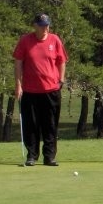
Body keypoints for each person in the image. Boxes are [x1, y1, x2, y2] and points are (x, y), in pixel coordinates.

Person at [13, 13, 68, 166]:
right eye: (42, 25)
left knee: (50, 125)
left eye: (47, 25)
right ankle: (32, 156)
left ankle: (49, 157)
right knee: (31, 125)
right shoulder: (25, 40)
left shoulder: (54, 40)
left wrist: (61, 79)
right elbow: (18, 63)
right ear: (35, 26)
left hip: (51, 90)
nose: (45, 28)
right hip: (30, 90)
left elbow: (61, 61)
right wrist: (18, 85)